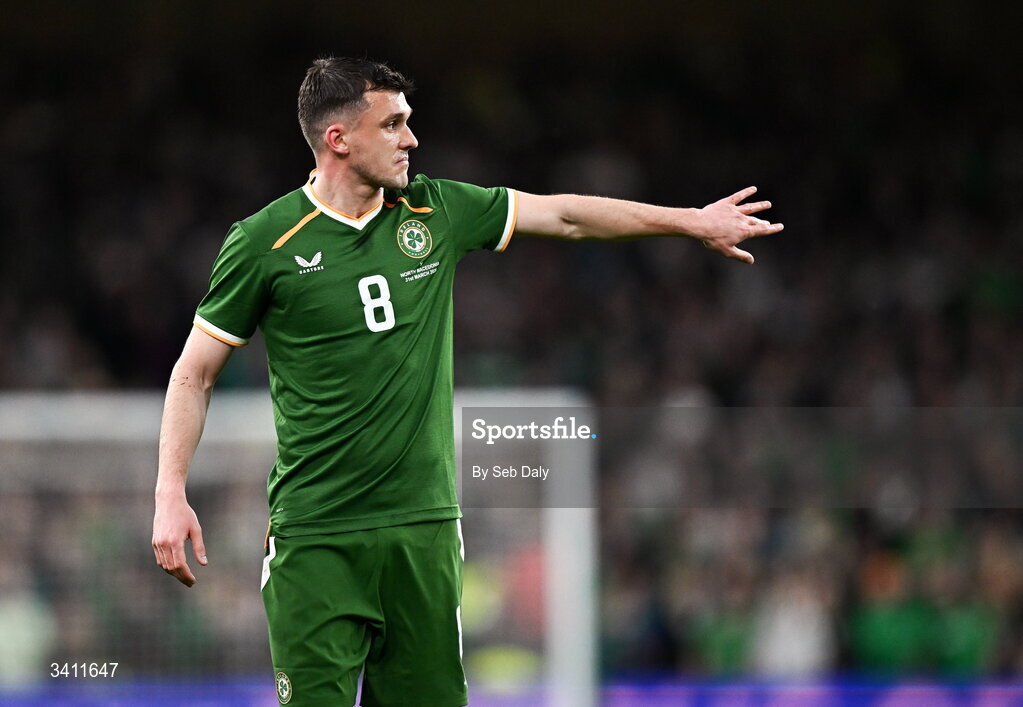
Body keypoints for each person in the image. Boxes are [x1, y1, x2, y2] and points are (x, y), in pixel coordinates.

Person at [151, 56, 783, 706]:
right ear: (338, 138)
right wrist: (171, 491)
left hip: (424, 530)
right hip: (316, 536)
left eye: (407, 121)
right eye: (392, 124)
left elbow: (563, 215)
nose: (410, 138)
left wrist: (689, 220)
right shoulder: (263, 243)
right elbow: (193, 374)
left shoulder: (436, 208)